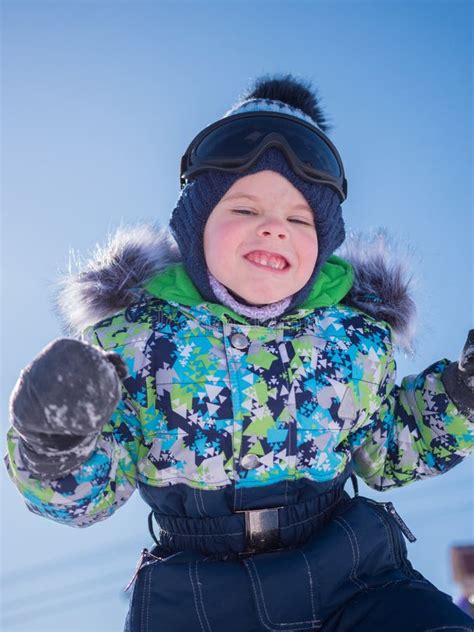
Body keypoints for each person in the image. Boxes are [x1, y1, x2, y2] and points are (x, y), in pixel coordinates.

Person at [5, 74, 474, 632]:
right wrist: (57, 441)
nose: (274, 229)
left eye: (299, 219)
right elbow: (90, 497)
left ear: (322, 246)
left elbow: (388, 447)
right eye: (245, 210)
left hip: (352, 574)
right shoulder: (136, 342)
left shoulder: (355, 338)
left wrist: (462, 395)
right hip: (199, 594)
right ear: (195, 227)